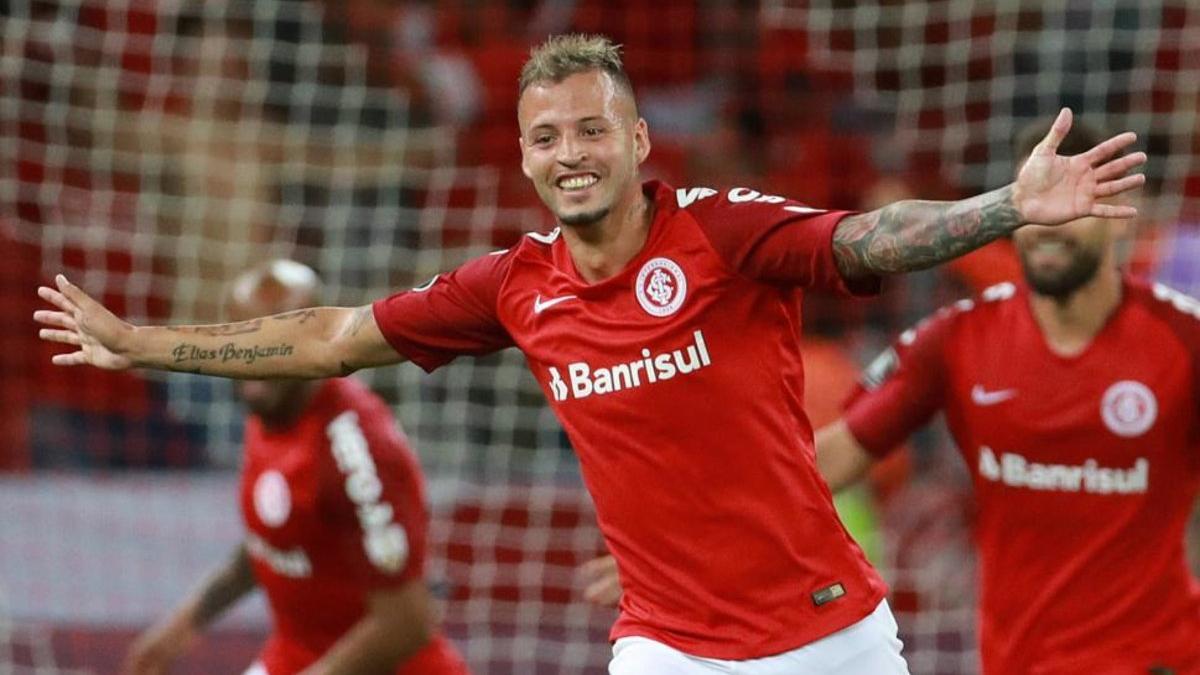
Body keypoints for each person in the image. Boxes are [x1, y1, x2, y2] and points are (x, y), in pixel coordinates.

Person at [37, 35, 1146, 674]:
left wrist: (1007, 205)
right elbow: (331, 339)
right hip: (663, 646)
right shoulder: (514, 286)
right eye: (546, 138)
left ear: (638, 141)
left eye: (591, 130)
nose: (570, 155)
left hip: (828, 637)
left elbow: (865, 240)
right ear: (523, 158)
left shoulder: (722, 231)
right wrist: (141, 342)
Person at [583, 118, 1200, 674]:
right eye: (1034, 210)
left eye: (1070, 206)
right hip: (1019, 660)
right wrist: (686, 546)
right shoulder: (956, 340)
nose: (1048, 229)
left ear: (1121, 207)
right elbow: (832, 456)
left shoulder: (1183, 343)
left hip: (1160, 659)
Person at [121, 260, 469, 675]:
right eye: (242, 336)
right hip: (296, 653)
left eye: (276, 339)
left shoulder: (356, 450)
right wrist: (182, 626)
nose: (255, 355)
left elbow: (406, 625)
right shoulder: (267, 410)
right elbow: (277, 538)